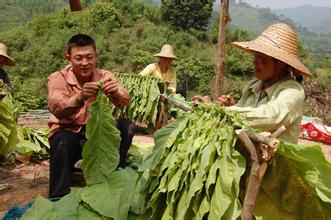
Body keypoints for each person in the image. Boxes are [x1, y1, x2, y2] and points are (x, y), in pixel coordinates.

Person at [193, 23, 312, 144]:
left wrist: (219, 111)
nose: (254, 62)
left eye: (261, 57)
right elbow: (243, 115)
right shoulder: (253, 86)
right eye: (255, 56)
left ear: (280, 63)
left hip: (273, 161)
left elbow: (271, 117)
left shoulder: (292, 91)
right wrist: (230, 107)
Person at [47, 34, 131, 198]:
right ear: (68, 58)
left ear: (96, 57)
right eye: (78, 58)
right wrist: (79, 98)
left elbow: (125, 100)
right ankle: (58, 195)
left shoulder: (104, 76)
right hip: (70, 133)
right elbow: (56, 108)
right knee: (61, 139)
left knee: (126, 127)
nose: (84, 63)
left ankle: (114, 175)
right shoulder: (58, 78)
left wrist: (116, 92)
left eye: (89, 57)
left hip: (97, 134)